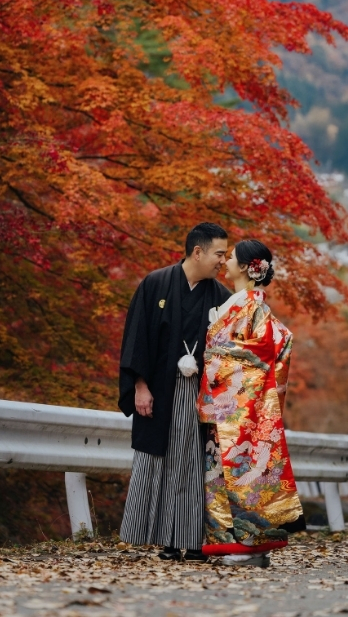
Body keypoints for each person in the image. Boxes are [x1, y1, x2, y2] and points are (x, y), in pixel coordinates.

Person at [117, 223, 233, 562]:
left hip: (202, 396)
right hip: (160, 389)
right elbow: (136, 336)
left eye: (226, 256)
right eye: (219, 254)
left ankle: (196, 541)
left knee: (196, 466)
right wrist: (140, 386)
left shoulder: (221, 297)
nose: (222, 262)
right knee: (163, 462)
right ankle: (167, 540)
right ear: (197, 252)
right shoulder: (156, 284)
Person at [198, 239, 305, 568]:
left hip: (233, 405)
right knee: (244, 475)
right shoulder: (246, 305)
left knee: (232, 475)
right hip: (244, 404)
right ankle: (247, 547)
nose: (226, 261)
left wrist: (209, 359)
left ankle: (241, 548)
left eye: (230, 257)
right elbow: (281, 342)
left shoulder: (249, 307)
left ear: (246, 267)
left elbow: (234, 355)